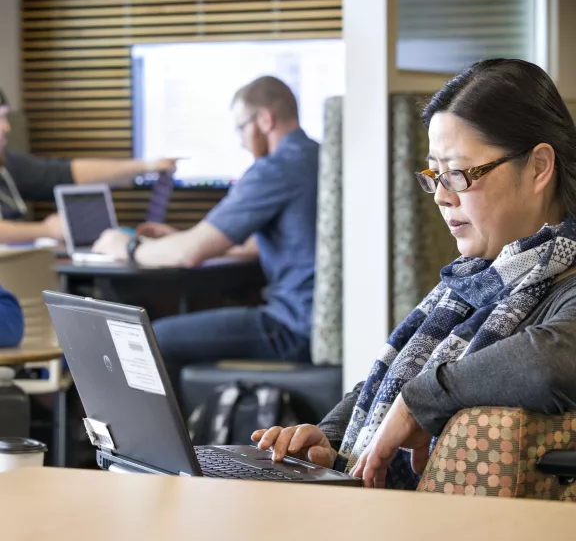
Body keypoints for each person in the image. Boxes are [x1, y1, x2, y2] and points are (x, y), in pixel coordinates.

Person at [252, 58, 576, 489]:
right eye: (435, 175)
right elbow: (391, 378)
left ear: (538, 167)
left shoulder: (563, 277)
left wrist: (419, 399)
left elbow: (548, 362)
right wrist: (330, 448)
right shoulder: (474, 282)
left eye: (459, 174)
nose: (442, 197)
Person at [94, 76, 318, 385]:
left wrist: (126, 246)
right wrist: (178, 239)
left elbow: (189, 254)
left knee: (151, 337)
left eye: (240, 127)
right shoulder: (315, 156)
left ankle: (168, 434)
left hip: (292, 326)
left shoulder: (276, 168)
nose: (240, 140)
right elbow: (251, 246)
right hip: (315, 321)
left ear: (265, 119)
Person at [0, 89, 175, 243]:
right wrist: (47, 230)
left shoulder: (7, 163)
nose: (6, 127)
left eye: (5, 117)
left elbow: (67, 173)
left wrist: (147, 166)